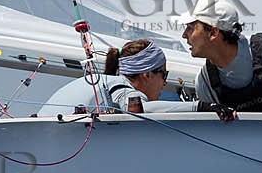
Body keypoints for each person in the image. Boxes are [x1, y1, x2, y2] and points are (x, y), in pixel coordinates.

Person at [37, 40, 173, 117]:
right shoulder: (123, 89)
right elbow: (142, 108)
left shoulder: (93, 81)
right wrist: (194, 107)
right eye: (164, 75)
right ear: (147, 74)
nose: (165, 83)